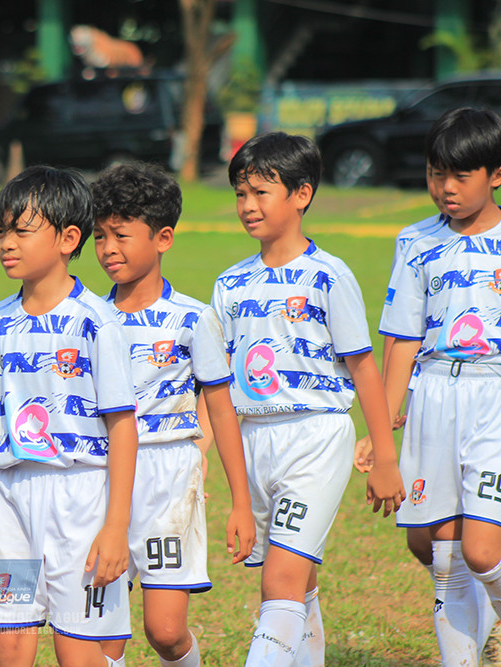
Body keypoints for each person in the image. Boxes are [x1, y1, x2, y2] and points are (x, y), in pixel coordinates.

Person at [210, 132, 404, 666]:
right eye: (240, 194)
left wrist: (385, 456)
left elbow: (363, 367)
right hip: (254, 440)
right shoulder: (230, 284)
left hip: (316, 436)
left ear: (301, 194)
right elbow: (218, 388)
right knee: (299, 580)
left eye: (261, 192)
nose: (248, 206)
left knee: (281, 579)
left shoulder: (329, 275)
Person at [0, 166, 139, 667]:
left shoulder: (98, 321)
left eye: (21, 230)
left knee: (77, 653)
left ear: (67, 238)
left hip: (82, 498)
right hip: (7, 497)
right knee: (7, 644)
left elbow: (123, 427)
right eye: (1, 231)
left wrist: (116, 526)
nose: (6, 243)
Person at [83, 163, 255, 667]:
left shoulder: (194, 318)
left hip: (168, 478)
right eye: (99, 236)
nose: (107, 248)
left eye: (120, 235)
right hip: (100, 478)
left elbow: (222, 413)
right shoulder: (87, 316)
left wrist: (240, 503)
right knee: (100, 635)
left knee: (164, 630)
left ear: (163, 238)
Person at [379, 107, 501, 666]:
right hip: (433, 392)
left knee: (479, 552)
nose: (445, 189)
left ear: (495, 174)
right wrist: (381, 429)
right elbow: (402, 337)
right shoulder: (415, 241)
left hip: (493, 394)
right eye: (435, 174)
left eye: (460, 176)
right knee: (433, 549)